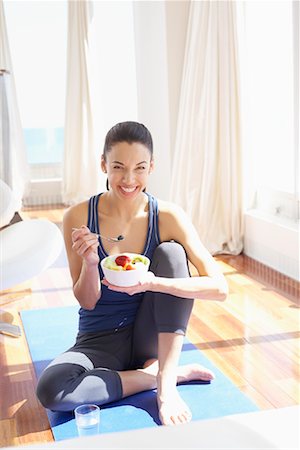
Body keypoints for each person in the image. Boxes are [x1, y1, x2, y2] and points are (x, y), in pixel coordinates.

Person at [36, 121, 228, 426]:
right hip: (98, 339)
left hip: (150, 334)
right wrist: (89, 262)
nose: (129, 179)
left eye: (139, 168)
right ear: (103, 165)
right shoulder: (78, 216)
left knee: (172, 254)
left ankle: (164, 384)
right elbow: (86, 302)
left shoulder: (167, 216)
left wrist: (153, 282)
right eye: (118, 167)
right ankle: (161, 374)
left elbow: (220, 287)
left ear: (152, 167)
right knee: (52, 390)